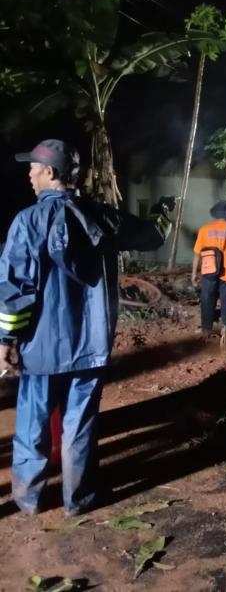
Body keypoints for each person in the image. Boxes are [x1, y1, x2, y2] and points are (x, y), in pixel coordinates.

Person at [0, 139, 173, 515]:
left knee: (33, 424)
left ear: (50, 172)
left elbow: (14, 288)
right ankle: (77, 500)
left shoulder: (27, 222)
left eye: (33, 168)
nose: (28, 175)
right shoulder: (103, 217)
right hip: (91, 345)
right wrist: (164, 214)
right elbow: (151, 235)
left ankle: (28, 500)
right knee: (80, 425)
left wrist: (6, 340)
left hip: (41, 347)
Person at [191, 200, 226, 344]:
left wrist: (194, 273)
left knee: (207, 301)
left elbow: (197, 254)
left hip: (209, 273)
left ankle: (206, 330)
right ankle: (225, 329)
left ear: (215, 215)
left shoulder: (204, 230)